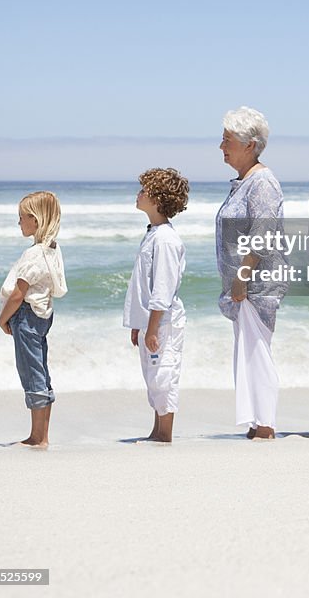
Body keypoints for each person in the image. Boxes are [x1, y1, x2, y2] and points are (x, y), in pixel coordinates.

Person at [216, 107, 287, 440]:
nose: (221, 146)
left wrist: (243, 276)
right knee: (248, 350)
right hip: (245, 285)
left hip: (257, 284)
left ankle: (266, 424)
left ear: (250, 144)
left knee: (257, 352)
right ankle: (257, 422)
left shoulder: (262, 182)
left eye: (228, 140)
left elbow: (264, 232)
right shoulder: (243, 182)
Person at [123, 167, 190, 443]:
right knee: (152, 377)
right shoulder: (153, 233)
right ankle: (156, 430)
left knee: (163, 376)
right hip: (151, 322)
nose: (138, 194)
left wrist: (152, 328)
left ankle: (165, 433)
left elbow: (162, 289)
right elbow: (144, 285)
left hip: (163, 323)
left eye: (144, 191)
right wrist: (140, 324)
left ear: (157, 198)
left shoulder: (165, 240)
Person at [0, 191, 68, 447]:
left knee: (31, 373)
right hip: (41, 316)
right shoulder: (52, 250)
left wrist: (2, 319)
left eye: (21, 217)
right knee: (40, 371)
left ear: (36, 221)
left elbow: (18, 293)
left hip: (26, 317)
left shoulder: (34, 254)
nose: (18, 222)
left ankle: (37, 437)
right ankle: (41, 435)